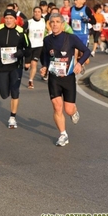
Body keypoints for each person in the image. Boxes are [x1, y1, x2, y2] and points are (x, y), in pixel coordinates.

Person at [40, 13, 90, 146]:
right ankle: (63, 134)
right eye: (52, 22)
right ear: (49, 25)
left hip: (68, 78)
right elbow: (44, 55)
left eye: (57, 22)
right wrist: (44, 66)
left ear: (62, 24)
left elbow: (86, 51)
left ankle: (74, 111)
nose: (55, 24)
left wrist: (79, 64)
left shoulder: (71, 38)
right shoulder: (47, 40)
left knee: (68, 109)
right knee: (57, 107)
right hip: (54, 78)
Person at [0, 9, 30, 129]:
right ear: (4, 19)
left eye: (11, 18)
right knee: (3, 94)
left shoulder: (21, 31)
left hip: (15, 66)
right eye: (6, 18)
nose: (8, 20)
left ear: (15, 19)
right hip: (1, 66)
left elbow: (28, 48)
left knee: (15, 90)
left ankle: (12, 117)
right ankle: (7, 95)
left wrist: (20, 54)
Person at [26, 7, 45, 89]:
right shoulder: (29, 22)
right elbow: (23, 33)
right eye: (35, 12)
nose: (37, 13)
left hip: (39, 46)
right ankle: (26, 65)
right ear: (33, 13)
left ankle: (31, 80)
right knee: (27, 65)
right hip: (29, 46)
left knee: (34, 64)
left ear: (41, 13)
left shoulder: (44, 21)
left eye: (39, 12)